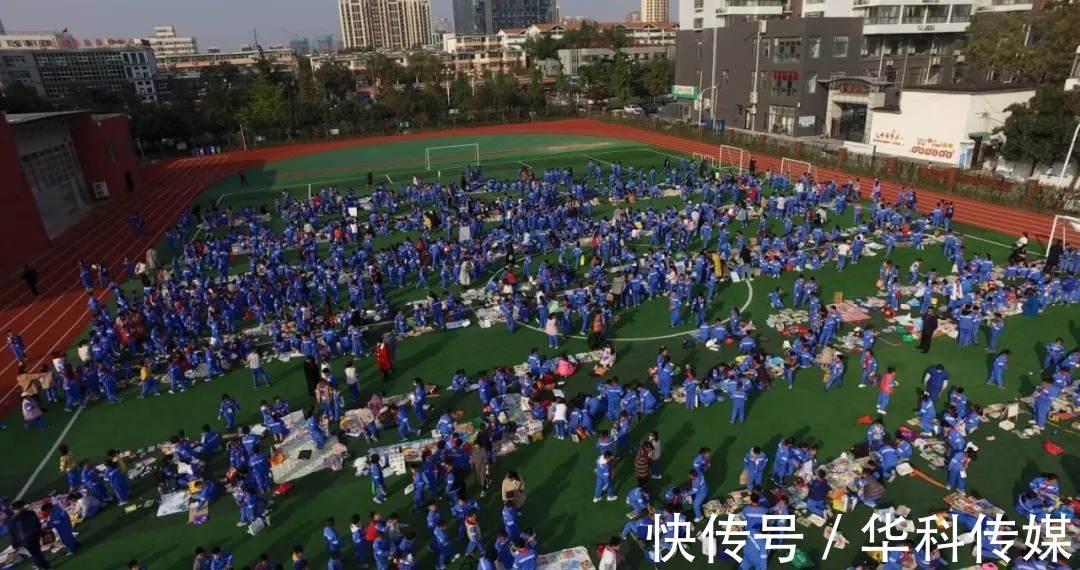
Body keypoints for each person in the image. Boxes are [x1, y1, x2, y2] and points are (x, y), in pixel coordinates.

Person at [8, 500, 51, 569]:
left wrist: (14, 544)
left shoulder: (12, 521)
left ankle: (45, 566)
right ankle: (40, 564)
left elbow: (13, 534)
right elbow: (38, 524)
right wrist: (41, 533)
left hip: (26, 540)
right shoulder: (31, 513)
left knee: (35, 554)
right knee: (37, 551)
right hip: (35, 535)